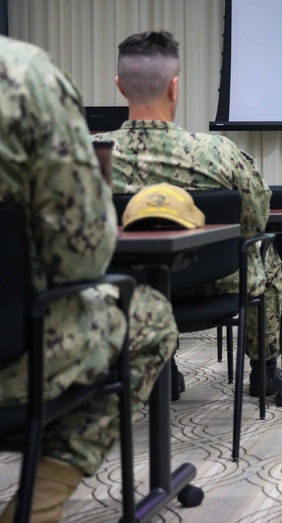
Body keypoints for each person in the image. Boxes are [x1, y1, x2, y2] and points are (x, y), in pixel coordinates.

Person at [0, 34, 177, 521]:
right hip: (13, 360)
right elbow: (82, 257)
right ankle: (36, 505)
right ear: (175, 89)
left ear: (119, 87)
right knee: (150, 316)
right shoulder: (22, 77)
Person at [93, 31, 282, 397]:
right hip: (218, 282)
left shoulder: (89, 156)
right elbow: (256, 219)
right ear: (175, 88)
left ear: (120, 87)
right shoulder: (218, 152)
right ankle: (265, 371)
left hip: (126, 286)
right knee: (265, 252)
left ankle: (163, 366)